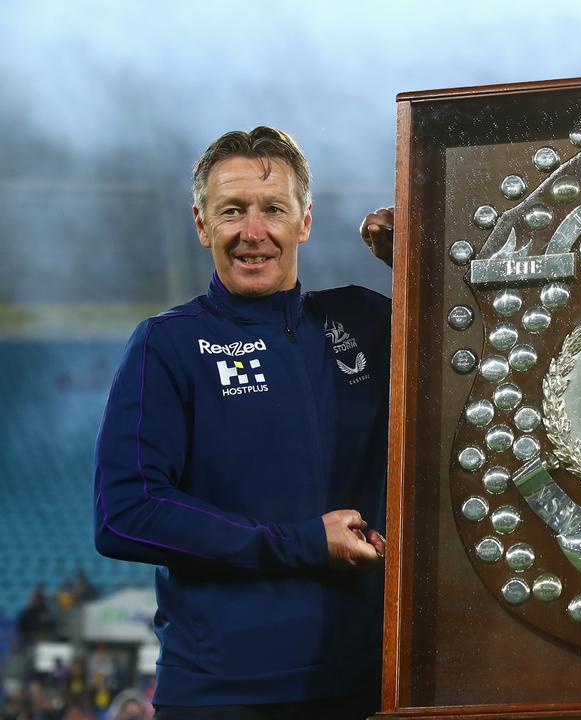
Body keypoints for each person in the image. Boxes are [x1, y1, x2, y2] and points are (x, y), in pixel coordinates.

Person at [94, 126, 391, 719]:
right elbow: (124, 514)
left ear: (304, 221)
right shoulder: (166, 344)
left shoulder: (365, 319)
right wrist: (302, 544)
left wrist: (421, 255)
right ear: (203, 225)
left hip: (370, 687)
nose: (252, 233)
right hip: (222, 697)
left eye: (273, 209)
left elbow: (485, 359)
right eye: (232, 211)